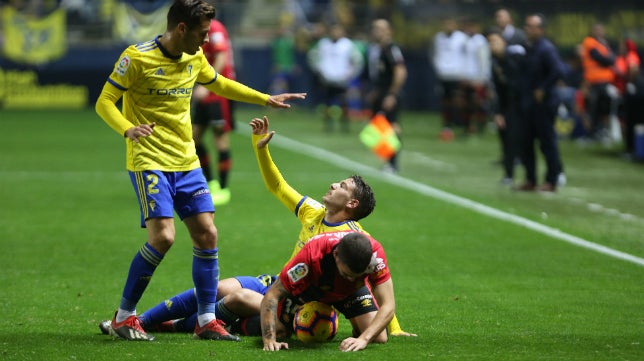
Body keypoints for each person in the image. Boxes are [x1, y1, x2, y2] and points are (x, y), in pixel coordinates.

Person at [94, 0, 305, 341]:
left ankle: (207, 319)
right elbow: (104, 101)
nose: (207, 40)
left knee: (207, 233)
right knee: (163, 237)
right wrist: (126, 129)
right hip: (149, 158)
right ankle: (124, 317)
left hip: (187, 160)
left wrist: (264, 98)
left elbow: (219, 83)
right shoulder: (137, 57)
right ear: (181, 29)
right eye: (202, 33)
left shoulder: (194, 56)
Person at [105, 116, 415, 338]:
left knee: (234, 300)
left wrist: (394, 327)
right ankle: (139, 320)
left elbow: (375, 281)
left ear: (352, 205)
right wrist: (261, 149)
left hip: (308, 303)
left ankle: (178, 325)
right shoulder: (313, 212)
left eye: (343, 185)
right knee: (220, 287)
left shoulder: (356, 241)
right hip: (284, 282)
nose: (334, 184)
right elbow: (278, 186)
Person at [260, 231, 395, 352]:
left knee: (379, 337)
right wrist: (269, 340)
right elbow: (272, 295)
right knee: (280, 332)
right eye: (347, 275)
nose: (352, 279)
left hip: (350, 293)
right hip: (312, 290)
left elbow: (388, 305)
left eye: (358, 276)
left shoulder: (376, 255)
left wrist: (364, 339)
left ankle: (356, 320)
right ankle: (243, 321)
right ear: (336, 255)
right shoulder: (311, 256)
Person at [515, 13, 566, 192]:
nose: (527, 29)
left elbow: (558, 70)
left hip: (544, 104)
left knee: (547, 142)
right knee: (526, 142)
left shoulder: (546, 49)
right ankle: (530, 179)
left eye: (531, 26)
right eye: (526, 25)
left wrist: (543, 89)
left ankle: (552, 180)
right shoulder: (528, 47)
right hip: (529, 103)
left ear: (541, 29)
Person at [192, 18, 236, 206]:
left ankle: (224, 189)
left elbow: (221, 57)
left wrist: (207, 84)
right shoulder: (195, 27)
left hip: (218, 92)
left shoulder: (215, 28)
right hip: (204, 92)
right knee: (194, 138)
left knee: (220, 138)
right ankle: (210, 183)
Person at [307, 23, 364, 132]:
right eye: (334, 31)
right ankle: (328, 126)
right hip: (327, 79)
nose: (335, 33)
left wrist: (351, 74)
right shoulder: (323, 43)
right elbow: (312, 56)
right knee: (327, 103)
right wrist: (319, 71)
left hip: (342, 79)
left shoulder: (347, 44)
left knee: (344, 103)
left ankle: (344, 126)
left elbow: (357, 60)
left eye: (338, 31)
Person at [367, 18, 407, 173]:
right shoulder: (377, 49)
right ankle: (388, 160)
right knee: (377, 128)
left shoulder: (391, 48)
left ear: (388, 31)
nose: (376, 31)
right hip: (381, 93)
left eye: (380, 28)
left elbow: (400, 71)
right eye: (374, 27)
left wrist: (392, 94)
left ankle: (393, 163)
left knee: (392, 126)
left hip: (389, 94)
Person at [487, 29, 526, 185]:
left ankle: (553, 173)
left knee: (530, 140)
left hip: (523, 103)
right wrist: (498, 113)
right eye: (489, 42)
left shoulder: (515, 58)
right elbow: (498, 90)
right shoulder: (495, 63)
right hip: (508, 105)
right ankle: (509, 174)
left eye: (495, 41)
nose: (492, 45)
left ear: (504, 42)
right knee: (507, 138)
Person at [432, 16, 467, 141]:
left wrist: (463, 71)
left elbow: (465, 55)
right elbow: (436, 54)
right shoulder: (438, 38)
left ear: (455, 25)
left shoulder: (462, 38)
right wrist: (438, 67)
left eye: (451, 24)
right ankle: (447, 126)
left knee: (457, 100)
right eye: (446, 24)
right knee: (444, 101)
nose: (448, 27)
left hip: (456, 74)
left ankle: (461, 123)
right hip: (443, 74)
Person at [580, 23, 617, 142]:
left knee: (603, 107)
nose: (599, 32)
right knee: (592, 108)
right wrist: (608, 60)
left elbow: (612, 59)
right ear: (592, 31)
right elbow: (600, 58)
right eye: (597, 30)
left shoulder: (604, 43)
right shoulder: (589, 41)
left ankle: (601, 131)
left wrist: (608, 60)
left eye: (601, 30)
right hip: (594, 81)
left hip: (605, 81)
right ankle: (590, 134)